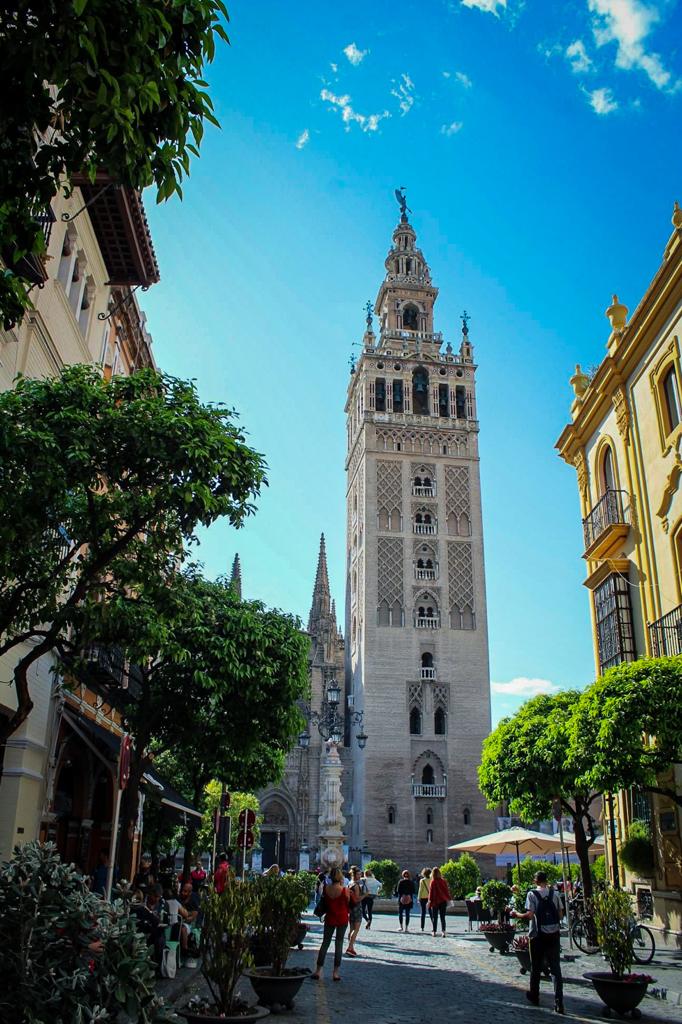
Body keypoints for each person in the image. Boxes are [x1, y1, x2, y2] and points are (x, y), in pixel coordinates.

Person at [511, 870, 564, 1014]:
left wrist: (516, 914)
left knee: (535, 966)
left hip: (537, 935)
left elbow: (529, 915)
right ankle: (559, 1002)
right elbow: (560, 914)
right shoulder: (555, 894)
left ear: (535, 881)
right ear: (546, 881)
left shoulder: (531, 894)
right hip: (554, 934)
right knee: (555, 969)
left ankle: (534, 995)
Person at [311, 866, 350, 982]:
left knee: (325, 943)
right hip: (342, 918)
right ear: (340, 877)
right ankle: (335, 973)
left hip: (330, 917)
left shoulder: (326, 888)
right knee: (339, 944)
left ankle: (318, 970)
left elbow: (324, 901)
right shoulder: (345, 890)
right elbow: (348, 903)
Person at [428, 866, 451, 937]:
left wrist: (429, 901)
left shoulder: (433, 882)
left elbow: (431, 893)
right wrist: (449, 898)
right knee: (442, 917)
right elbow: (446, 891)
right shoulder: (443, 881)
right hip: (443, 901)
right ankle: (443, 932)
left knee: (435, 917)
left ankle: (434, 932)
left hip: (435, 902)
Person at [346, 866, 363, 956]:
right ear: (355, 875)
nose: (360, 876)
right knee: (356, 929)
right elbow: (357, 899)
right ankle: (350, 947)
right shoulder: (356, 885)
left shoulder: (350, 883)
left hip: (350, 908)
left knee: (351, 929)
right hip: (356, 908)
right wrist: (366, 895)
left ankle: (351, 947)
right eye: (358, 874)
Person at [418, 868, 433, 932]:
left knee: (423, 913)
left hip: (423, 898)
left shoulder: (422, 880)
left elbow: (420, 890)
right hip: (430, 897)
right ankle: (433, 926)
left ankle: (422, 927)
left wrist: (418, 898)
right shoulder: (432, 880)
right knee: (431, 912)